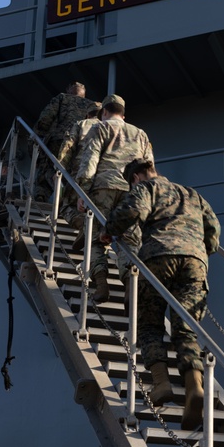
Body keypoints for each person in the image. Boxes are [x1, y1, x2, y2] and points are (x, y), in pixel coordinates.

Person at [104, 159, 220, 430]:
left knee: (149, 323)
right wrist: (199, 251)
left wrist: (107, 232)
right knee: (186, 328)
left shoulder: (145, 189)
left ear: (135, 178)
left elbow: (134, 211)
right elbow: (213, 231)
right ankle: (194, 387)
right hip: (195, 261)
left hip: (157, 257)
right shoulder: (192, 193)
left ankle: (162, 383)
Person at [75, 94, 153, 301]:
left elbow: (90, 159)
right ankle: (129, 284)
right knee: (129, 240)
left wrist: (82, 190)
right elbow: (149, 168)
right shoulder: (141, 134)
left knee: (95, 239)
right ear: (123, 114)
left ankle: (101, 285)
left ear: (105, 112)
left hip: (103, 188)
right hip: (132, 192)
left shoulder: (100, 128)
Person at [34, 81, 95, 202]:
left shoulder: (62, 98)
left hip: (59, 140)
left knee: (46, 168)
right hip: (80, 144)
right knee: (72, 173)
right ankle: (66, 201)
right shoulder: (91, 105)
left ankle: (41, 195)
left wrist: (38, 134)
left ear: (69, 90)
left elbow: (46, 118)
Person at [56, 101, 101, 235]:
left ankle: (84, 226)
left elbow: (67, 147)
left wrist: (59, 168)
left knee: (66, 207)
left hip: (80, 172)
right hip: (103, 175)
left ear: (88, 114)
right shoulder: (107, 126)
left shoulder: (82, 124)